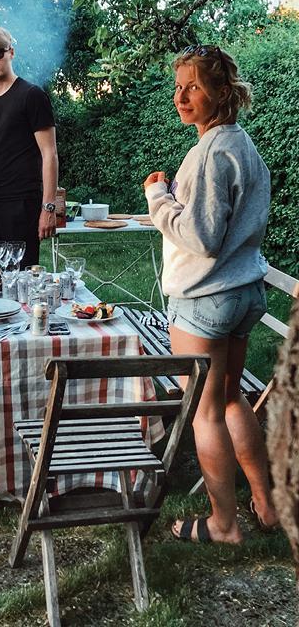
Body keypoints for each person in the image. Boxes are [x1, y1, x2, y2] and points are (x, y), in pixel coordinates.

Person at [144, 44, 278, 544]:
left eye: (194, 87)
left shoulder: (209, 154)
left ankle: (224, 524)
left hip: (205, 298)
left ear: (222, 93)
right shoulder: (243, 146)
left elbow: (201, 237)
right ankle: (267, 505)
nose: (181, 97)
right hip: (244, 292)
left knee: (205, 413)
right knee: (231, 399)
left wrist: (159, 199)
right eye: (178, 87)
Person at [0, 26, 59, 267]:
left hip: (22, 203)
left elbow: (50, 153)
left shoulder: (31, 95)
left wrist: (48, 208)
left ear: (11, 53)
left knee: (23, 277)